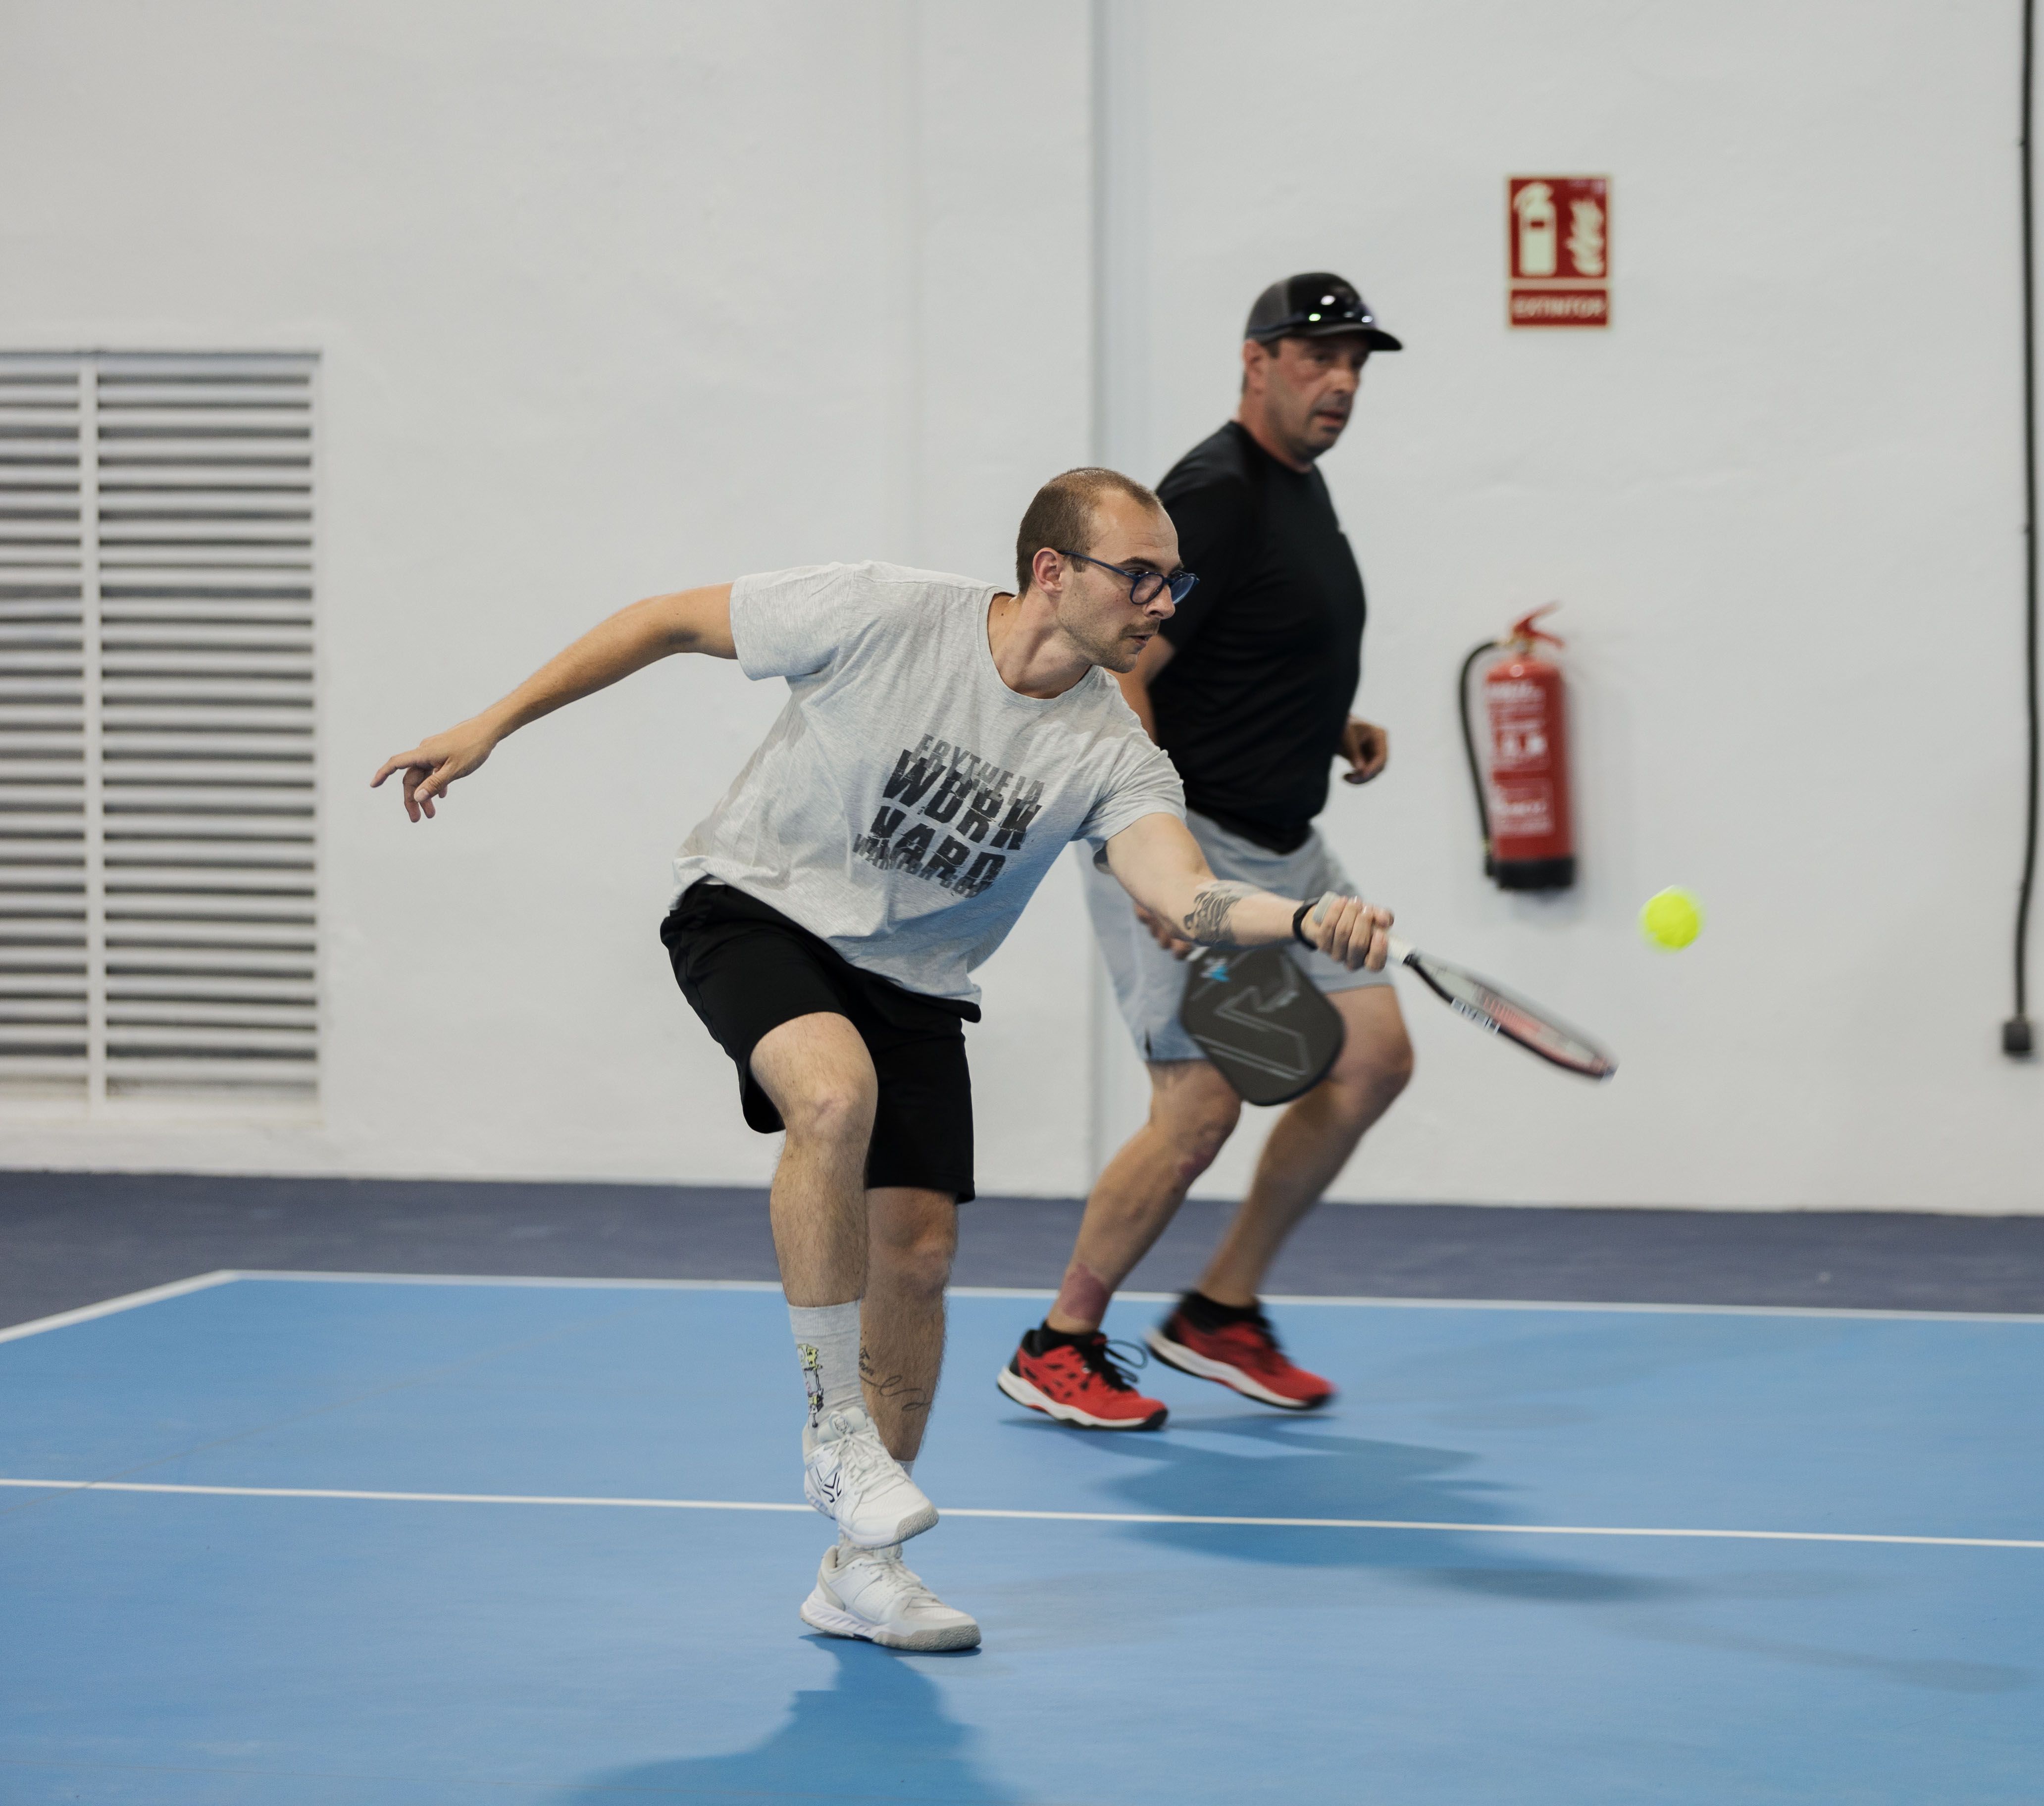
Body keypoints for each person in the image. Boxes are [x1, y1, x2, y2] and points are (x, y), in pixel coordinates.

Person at [370, 467, 1393, 1651]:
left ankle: (863, 1570)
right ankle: (834, 1433)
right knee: (832, 1095)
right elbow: (663, 621)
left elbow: (1183, 889)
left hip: (914, 980)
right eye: (1142, 576)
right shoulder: (881, 610)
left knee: (917, 1255)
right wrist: (488, 725)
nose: (1164, 602)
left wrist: (1304, 919)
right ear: (1052, 574)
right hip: (759, 910)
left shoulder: (1115, 751)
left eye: (1177, 581)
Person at [996, 274, 1413, 1433]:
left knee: (1371, 1057)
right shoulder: (1215, 494)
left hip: (1289, 836)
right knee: (1199, 1108)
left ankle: (1221, 1311)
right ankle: (1059, 1341)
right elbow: (1129, 666)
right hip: (1200, 838)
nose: (1339, 382)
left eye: (1356, 364)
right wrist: (1153, 857)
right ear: (1255, 362)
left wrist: (1329, 718)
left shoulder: (1295, 488)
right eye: (1315, 357)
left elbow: (1250, 640)